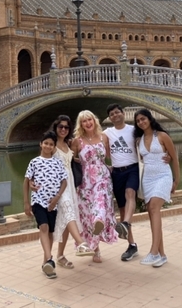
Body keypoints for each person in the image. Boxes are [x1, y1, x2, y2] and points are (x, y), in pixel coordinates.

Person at [133, 108, 181, 268]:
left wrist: (176, 180)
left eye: (143, 119)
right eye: (138, 121)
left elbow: (174, 158)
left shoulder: (162, 136)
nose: (141, 122)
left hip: (163, 176)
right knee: (153, 213)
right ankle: (162, 255)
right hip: (147, 179)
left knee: (154, 207)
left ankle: (153, 252)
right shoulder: (139, 141)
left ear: (149, 118)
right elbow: (141, 161)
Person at [71, 110, 117, 263]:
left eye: (89, 119)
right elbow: (69, 160)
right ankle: (95, 249)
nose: (88, 123)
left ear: (94, 120)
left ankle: (99, 220)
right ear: (81, 124)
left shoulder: (104, 137)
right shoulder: (78, 141)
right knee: (87, 214)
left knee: (101, 200)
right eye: (84, 121)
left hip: (102, 177)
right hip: (85, 181)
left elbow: (111, 157)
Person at [49, 115, 95, 268]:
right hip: (57, 186)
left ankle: (60, 256)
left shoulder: (69, 145)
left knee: (68, 220)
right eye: (60, 126)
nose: (63, 129)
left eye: (66, 127)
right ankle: (81, 243)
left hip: (70, 185)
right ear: (55, 127)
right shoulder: (51, 145)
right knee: (68, 212)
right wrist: (34, 182)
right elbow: (41, 163)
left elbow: (72, 161)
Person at [23, 131, 69, 279]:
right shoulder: (34, 162)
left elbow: (64, 182)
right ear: (41, 144)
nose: (48, 146)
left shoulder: (57, 162)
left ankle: (46, 264)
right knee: (43, 227)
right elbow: (26, 182)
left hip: (52, 203)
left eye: (51, 144)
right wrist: (26, 203)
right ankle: (50, 259)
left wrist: (57, 198)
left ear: (54, 147)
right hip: (38, 201)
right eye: (46, 143)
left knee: (49, 233)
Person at [103, 103, 140, 261]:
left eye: (118, 112)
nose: (115, 115)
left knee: (130, 193)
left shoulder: (132, 130)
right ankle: (132, 245)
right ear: (110, 118)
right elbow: (97, 149)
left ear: (123, 113)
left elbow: (148, 142)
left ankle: (125, 223)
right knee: (123, 208)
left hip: (132, 168)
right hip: (117, 172)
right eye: (112, 114)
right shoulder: (107, 133)